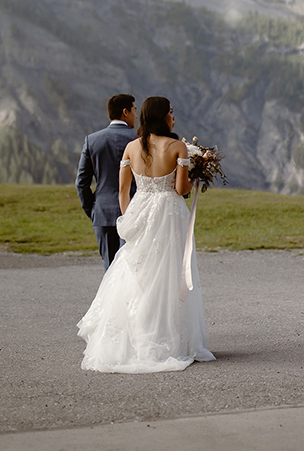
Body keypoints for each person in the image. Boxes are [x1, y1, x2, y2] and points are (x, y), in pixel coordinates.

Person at [77, 95, 216, 373]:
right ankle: (169, 337)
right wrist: (196, 174)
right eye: (171, 112)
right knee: (168, 272)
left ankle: (134, 336)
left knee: (139, 272)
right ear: (162, 116)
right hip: (168, 212)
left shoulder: (130, 147)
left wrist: (131, 219)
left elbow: (122, 190)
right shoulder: (177, 147)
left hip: (141, 209)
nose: (174, 117)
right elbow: (180, 190)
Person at [75, 93, 137, 270]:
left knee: (110, 271)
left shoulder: (92, 141)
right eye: (134, 110)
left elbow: (81, 182)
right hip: (134, 211)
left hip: (102, 212)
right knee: (133, 270)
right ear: (125, 112)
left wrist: (93, 210)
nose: (136, 115)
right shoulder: (139, 140)